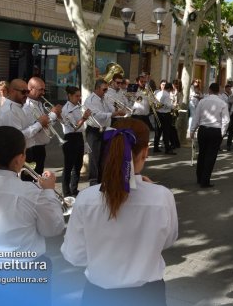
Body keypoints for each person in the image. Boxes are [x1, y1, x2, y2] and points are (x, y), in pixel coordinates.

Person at [61, 118, 178, 305]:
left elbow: (74, 255)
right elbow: (168, 240)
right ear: (145, 152)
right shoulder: (162, 197)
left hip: (99, 294)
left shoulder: (85, 199)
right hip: (148, 295)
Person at [0, 79, 50, 168]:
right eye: (23, 92)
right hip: (14, 154)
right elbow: (18, 136)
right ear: (12, 91)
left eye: (27, 92)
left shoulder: (18, 107)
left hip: (25, 151)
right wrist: (39, 124)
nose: (26, 95)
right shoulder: (10, 111)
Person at [189, 83, 230, 188]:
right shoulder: (222, 103)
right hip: (215, 131)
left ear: (209, 90)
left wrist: (192, 130)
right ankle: (205, 180)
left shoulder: (202, 101)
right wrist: (222, 133)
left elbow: (196, 117)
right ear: (219, 91)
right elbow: (226, 120)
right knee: (211, 157)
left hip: (203, 130)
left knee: (202, 154)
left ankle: (199, 178)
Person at [22, 77, 62, 175]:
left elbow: (45, 126)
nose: (43, 93)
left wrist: (55, 116)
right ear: (31, 89)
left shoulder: (39, 103)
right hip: (31, 150)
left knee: (38, 180)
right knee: (30, 181)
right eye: (41, 90)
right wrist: (52, 115)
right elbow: (32, 129)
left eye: (44, 90)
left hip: (40, 149)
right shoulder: (26, 107)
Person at [84, 79, 120, 186]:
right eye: (104, 89)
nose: (106, 91)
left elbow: (111, 110)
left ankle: (101, 180)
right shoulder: (90, 100)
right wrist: (113, 114)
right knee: (94, 158)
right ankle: (93, 182)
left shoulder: (104, 98)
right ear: (97, 88)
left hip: (105, 129)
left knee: (103, 156)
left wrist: (115, 108)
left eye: (107, 89)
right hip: (94, 131)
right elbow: (97, 114)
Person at [61, 86, 92, 197]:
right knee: (68, 167)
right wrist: (84, 118)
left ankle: (74, 189)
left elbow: (80, 128)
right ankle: (66, 192)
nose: (79, 98)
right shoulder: (65, 109)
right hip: (70, 138)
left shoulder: (76, 107)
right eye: (76, 96)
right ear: (69, 96)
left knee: (78, 166)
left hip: (79, 137)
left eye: (80, 96)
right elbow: (74, 126)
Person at [154, 81, 176, 155]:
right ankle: (167, 149)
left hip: (158, 113)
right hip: (165, 115)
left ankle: (155, 147)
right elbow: (167, 105)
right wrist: (174, 106)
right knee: (166, 132)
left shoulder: (158, 93)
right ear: (169, 88)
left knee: (158, 131)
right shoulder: (166, 95)